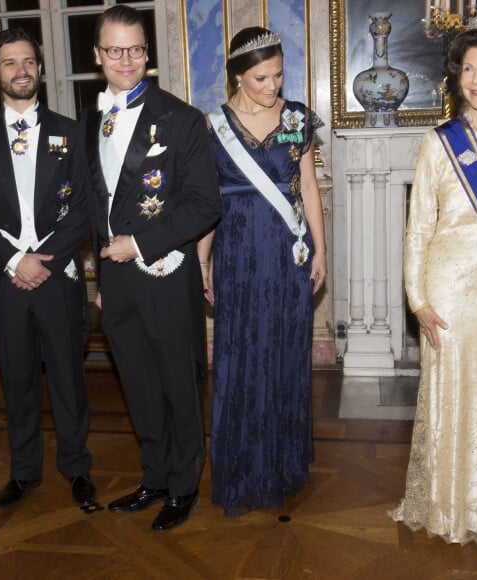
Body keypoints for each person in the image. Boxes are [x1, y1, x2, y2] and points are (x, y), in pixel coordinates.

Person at [80, 5, 221, 531]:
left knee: (179, 387)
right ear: (97, 56)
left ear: (148, 53)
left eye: (135, 49)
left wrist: (137, 244)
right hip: (115, 286)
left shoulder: (182, 119)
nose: (125, 60)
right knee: (138, 385)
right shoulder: (92, 119)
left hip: (166, 275)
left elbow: (206, 205)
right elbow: (98, 206)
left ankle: (184, 486)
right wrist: (99, 280)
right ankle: (156, 475)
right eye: (114, 50)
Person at [389, 15, 477, 556]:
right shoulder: (440, 142)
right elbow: (418, 226)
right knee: (453, 400)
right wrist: (418, 299)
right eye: (469, 69)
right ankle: (450, 507)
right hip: (449, 293)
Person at [0, 28, 95, 510]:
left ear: (39, 68)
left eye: (29, 61)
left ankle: (77, 468)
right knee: (16, 379)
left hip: (56, 276)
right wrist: (16, 261)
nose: (22, 70)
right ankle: (24, 472)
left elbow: (83, 207)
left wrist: (42, 261)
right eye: (11, 63)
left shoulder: (70, 130)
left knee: (68, 378)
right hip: (7, 278)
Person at [197, 27, 327, 516]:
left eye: (278, 75)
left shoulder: (296, 119)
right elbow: (207, 201)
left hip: (287, 251)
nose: (272, 86)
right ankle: (242, 468)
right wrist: (202, 260)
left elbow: (309, 187)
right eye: (260, 78)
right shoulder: (212, 126)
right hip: (235, 250)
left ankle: (283, 463)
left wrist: (321, 249)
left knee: (284, 351)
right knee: (240, 354)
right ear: (236, 76)